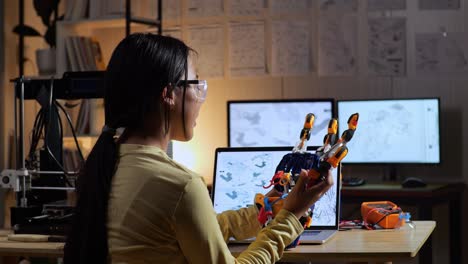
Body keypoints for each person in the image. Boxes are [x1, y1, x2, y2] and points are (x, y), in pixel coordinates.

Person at [63, 33, 333, 264]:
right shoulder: (180, 185)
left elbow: (198, 228)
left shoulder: (107, 164)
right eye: (197, 84)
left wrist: (267, 211)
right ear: (168, 94)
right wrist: (290, 217)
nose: (201, 98)